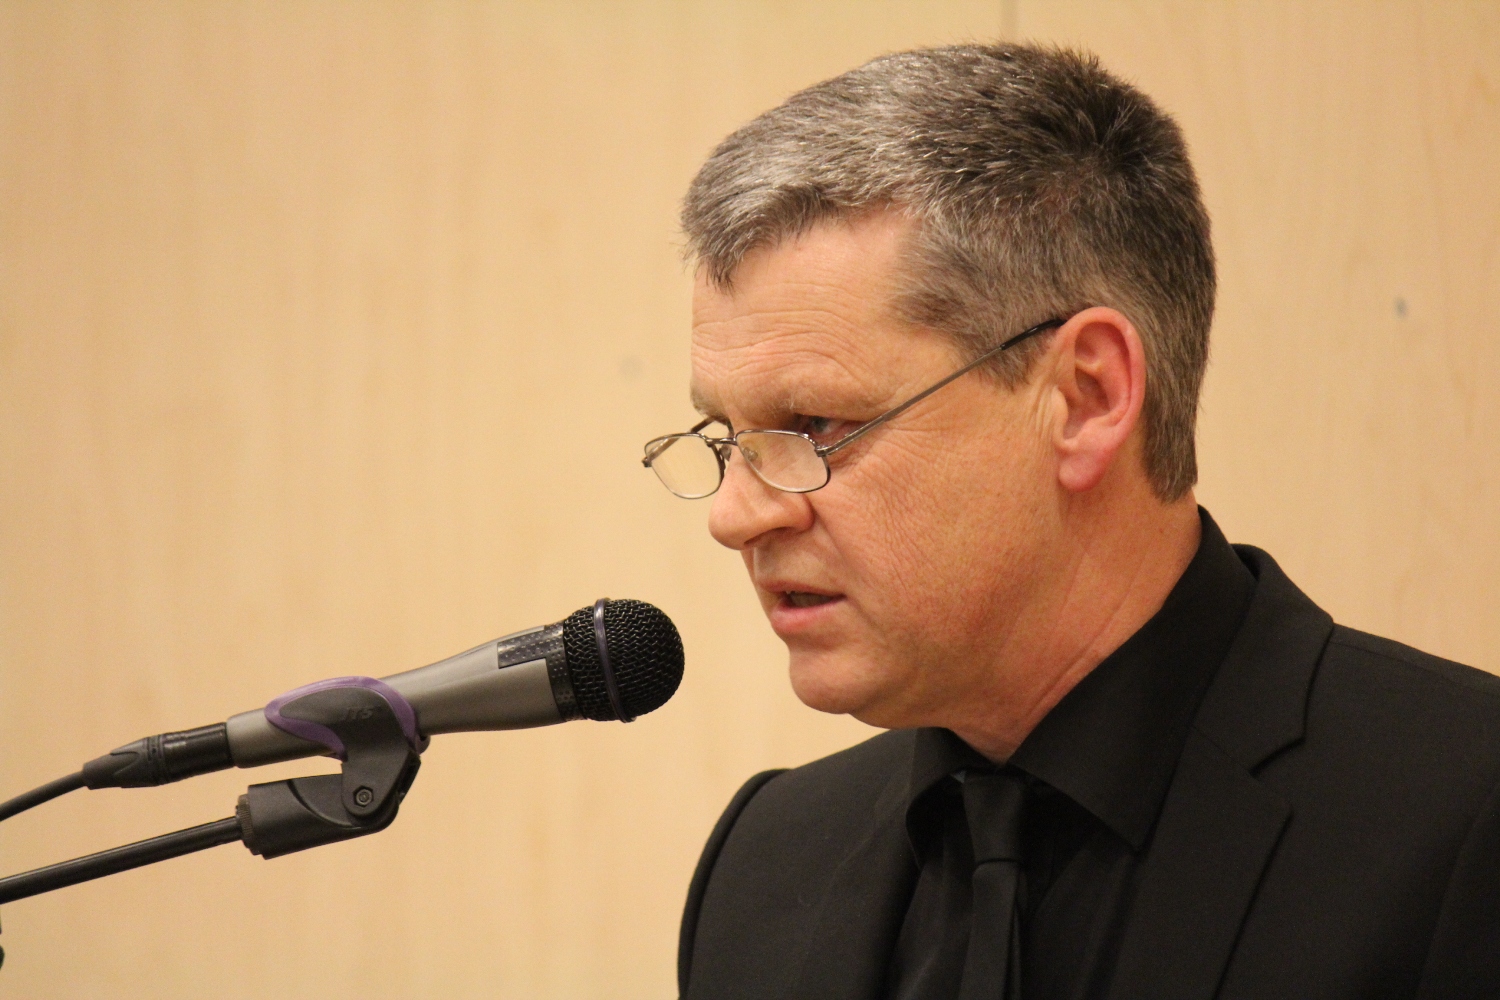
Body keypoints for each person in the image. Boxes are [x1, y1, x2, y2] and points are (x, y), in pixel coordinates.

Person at [643, 43, 1500, 1000]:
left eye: (814, 426)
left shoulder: (1463, 816)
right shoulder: (767, 864)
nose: (735, 515)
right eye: (727, 436)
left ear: (1088, 398)